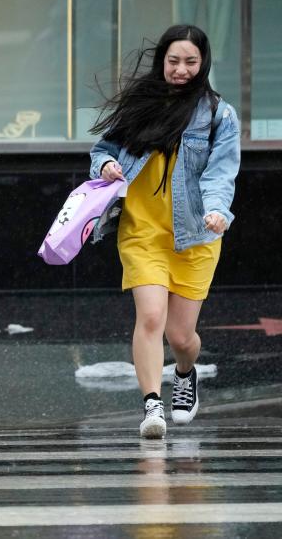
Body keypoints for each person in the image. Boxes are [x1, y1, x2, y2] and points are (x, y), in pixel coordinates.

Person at [89, 24, 240, 439]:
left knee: (181, 336)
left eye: (191, 62)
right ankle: (152, 404)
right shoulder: (143, 104)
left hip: (197, 235)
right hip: (142, 231)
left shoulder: (219, 115)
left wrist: (215, 211)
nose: (181, 69)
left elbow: (220, 174)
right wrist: (105, 167)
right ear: (162, 62)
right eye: (174, 61)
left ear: (203, 63)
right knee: (151, 316)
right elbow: (104, 148)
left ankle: (186, 372)